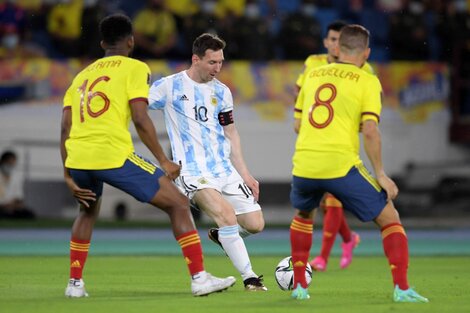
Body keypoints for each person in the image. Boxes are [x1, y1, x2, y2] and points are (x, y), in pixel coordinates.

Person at [60, 14, 235, 298]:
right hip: (112, 156)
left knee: (87, 210)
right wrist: (163, 161)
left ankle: (74, 284)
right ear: (131, 41)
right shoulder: (135, 67)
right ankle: (200, 278)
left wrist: (68, 174)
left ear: (103, 43)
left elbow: (65, 126)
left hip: (77, 158)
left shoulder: (82, 75)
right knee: (179, 203)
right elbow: (141, 117)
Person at [288, 24, 429, 303]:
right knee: (390, 219)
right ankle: (402, 288)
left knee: (304, 216)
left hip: (303, 164)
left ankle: (300, 286)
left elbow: (297, 123)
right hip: (340, 165)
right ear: (366, 52)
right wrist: (380, 174)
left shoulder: (313, 74)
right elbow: (370, 130)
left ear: (337, 49)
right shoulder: (367, 80)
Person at [148, 33, 267, 291]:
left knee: (256, 224)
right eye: (212, 62)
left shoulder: (222, 92)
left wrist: (245, 174)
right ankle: (251, 278)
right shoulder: (169, 87)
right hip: (191, 172)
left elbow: (231, 133)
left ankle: (223, 237)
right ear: (196, 59)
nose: (218, 68)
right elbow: (137, 106)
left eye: (221, 62)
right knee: (225, 215)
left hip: (224, 170)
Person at [295, 20, 371, 272]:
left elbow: (368, 106)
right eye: (331, 39)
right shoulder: (313, 64)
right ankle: (349, 239)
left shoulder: (363, 69)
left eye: (340, 40)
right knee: (326, 201)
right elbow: (300, 94)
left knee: (332, 200)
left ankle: (323, 258)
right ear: (326, 42)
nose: (335, 44)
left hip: (340, 145)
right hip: (313, 140)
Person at [0, 150, 35, 219]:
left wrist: (12, 205)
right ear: (3, 162)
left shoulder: (16, 177)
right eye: (8, 163)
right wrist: (4, 205)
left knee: (29, 214)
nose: (10, 166)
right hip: (1, 208)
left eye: (12, 164)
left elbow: (19, 197)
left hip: (12, 208)